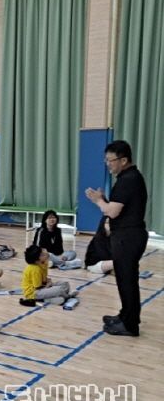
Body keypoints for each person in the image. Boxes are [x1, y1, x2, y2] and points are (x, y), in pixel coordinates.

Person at [86, 140, 148, 336]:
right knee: (124, 279)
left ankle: (130, 325)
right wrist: (103, 200)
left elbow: (112, 212)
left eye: (110, 160)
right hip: (128, 236)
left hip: (128, 237)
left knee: (127, 281)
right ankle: (126, 315)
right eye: (106, 160)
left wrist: (98, 201)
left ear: (123, 160)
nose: (108, 164)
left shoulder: (128, 180)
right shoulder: (129, 178)